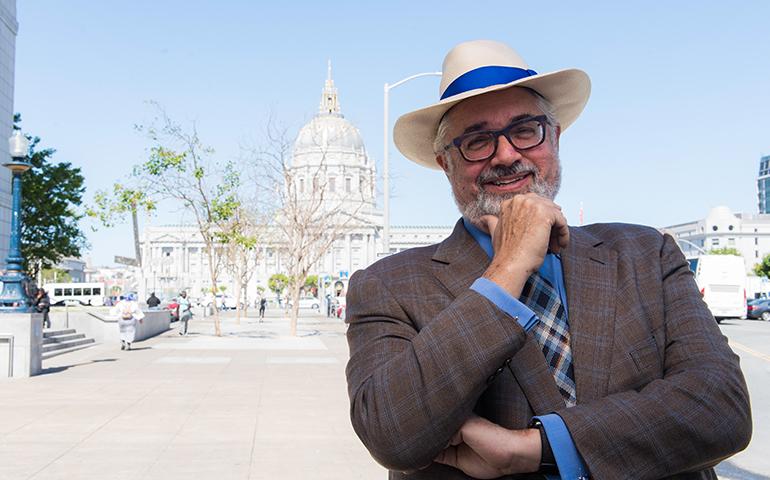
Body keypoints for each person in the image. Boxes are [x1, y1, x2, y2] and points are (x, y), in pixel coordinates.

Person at [345, 40, 751, 480]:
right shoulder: (388, 285)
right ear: (446, 164)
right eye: (478, 141)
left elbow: (722, 408)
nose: (506, 155)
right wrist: (507, 269)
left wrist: (536, 448)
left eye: (525, 131)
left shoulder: (646, 255)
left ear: (554, 138)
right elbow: (391, 434)